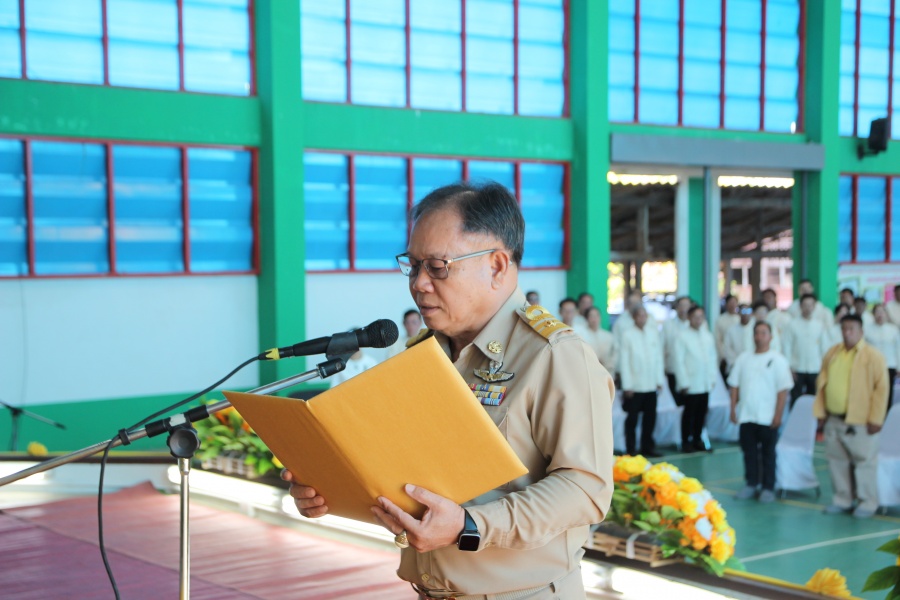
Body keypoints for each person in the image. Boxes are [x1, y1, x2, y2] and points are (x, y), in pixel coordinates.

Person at [284, 181, 614, 598]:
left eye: (438, 266)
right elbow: (402, 467)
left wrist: (470, 525)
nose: (419, 283)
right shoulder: (424, 353)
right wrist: (329, 485)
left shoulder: (553, 355)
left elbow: (585, 488)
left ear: (497, 266)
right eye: (413, 265)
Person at [815, 315, 888, 519]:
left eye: (852, 329)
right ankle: (843, 499)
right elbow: (822, 382)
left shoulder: (873, 356)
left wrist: (876, 419)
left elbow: (882, 389)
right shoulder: (833, 353)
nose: (847, 333)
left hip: (861, 420)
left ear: (861, 331)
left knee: (864, 462)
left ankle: (867, 502)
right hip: (834, 417)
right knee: (836, 461)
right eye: (844, 329)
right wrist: (821, 412)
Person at [728, 321, 793, 503]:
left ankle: (768, 487)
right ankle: (751, 483)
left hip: (768, 417)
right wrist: (733, 409)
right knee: (749, 452)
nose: (759, 337)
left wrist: (778, 415)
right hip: (747, 415)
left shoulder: (778, 360)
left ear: (770, 337)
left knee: (768, 453)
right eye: (756, 333)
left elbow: (783, 391)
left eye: (763, 333)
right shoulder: (743, 358)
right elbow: (734, 385)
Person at [619, 304, 665, 457]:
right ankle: (631, 448)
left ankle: (647, 447)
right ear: (634, 317)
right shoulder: (627, 335)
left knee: (650, 418)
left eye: (645, 315)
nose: (642, 318)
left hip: (651, 384)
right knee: (632, 419)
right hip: (635, 386)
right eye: (639, 315)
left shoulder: (653, 333)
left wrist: (659, 380)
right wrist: (627, 385)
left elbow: (658, 358)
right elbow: (624, 361)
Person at [673, 306, 719, 452]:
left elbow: (712, 358)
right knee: (689, 414)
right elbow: (678, 361)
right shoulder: (682, 336)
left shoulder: (707, 336)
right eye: (695, 317)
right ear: (689, 318)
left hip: (704, 382)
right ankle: (686, 441)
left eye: (701, 317)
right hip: (690, 383)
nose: (698, 320)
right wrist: (683, 382)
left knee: (701, 413)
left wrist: (712, 378)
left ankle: (698, 439)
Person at [782, 293, 827, 407]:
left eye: (810, 305)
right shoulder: (792, 324)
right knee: (795, 399)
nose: (808, 308)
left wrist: (823, 367)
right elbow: (787, 346)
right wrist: (789, 367)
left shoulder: (819, 325)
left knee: (814, 400)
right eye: (805, 305)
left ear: (814, 306)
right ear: (800, 306)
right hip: (797, 368)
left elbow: (824, 348)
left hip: (815, 368)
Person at [865, 304, 900, 412]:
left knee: (887, 391)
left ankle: (886, 414)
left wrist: (899, 367)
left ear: (886, 314)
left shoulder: (893, 329)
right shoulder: (866, 329)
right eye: (877, 312)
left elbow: (898, 348)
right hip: (872, 365)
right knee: (872, 390)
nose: (880, 314)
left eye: (882, 312)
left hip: (890, 365)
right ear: (873, 314)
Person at [663, 296, 692, 408]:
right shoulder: (668, 325)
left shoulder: (694, 325)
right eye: (681, 305)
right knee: (677, 404)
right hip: (673, 370)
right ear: (676, 307)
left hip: (691, 372)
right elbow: (662, 347)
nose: (684, 308)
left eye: (686, 305)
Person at [576, 306, 617, 376]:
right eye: (591, 316)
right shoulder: (581, 336)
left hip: (606, 371)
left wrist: (608, 365)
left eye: (596, 316)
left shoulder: (608, 336)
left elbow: (614, 355)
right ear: (587, 318)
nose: (594, 319)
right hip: (588, 372)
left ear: (600, 317)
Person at [723, 304, 754, 375]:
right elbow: (727, 348)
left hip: (754, 366)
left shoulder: (756, 329)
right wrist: (737, 363)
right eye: (743, 311)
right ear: (738, 313)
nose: (745, 314)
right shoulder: (731, 330)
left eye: (748, 311)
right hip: (736, 366)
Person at [715, 295, 741, 379]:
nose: (732, 305)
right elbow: (718, 341)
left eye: (734, 302)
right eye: (730, 303)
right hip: (726, 357)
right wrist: (724, 356)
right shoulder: (721, 320)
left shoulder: (740, 319)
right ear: (726, 304)